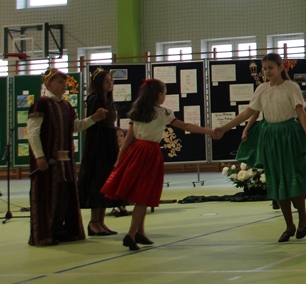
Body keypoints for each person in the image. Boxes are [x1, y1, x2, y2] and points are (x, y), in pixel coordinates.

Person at [103, 79, 217, 251]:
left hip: (135, 151)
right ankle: (131, 234)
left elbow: (128, 139)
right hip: (149, 153)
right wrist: (209, 131)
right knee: (143, 195)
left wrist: (120, 158)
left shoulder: (138, 111)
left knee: (141, 192)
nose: (165, 96)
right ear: (158, 95)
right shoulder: (163, 113)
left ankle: (140, 232)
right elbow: (185, 126)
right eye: (164, 93)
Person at [214, 54, 306, 242]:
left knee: (292, 178)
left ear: (280, 68)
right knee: (277, 181)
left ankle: (303, 217)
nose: (267, 71)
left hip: (289, 135)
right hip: (270, 137)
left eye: (271, 67)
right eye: (264, 68)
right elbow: (248, 113)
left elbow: (301, 113)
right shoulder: (261, 89)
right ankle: (289, 225)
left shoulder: (291, 87)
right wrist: (224, 128)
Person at [26, 68, 107, 247]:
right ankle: (46, 233)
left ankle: (60, 230)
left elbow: (76, 127)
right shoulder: (41, 104)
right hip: (48, 161)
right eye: (60, 82)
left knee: (64, 196)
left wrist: (93, 118)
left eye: (65, 82)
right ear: (49, 84)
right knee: (47, 196)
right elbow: (33, 133)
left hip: (65, 161)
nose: (64, 85)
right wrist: (40, 156)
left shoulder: (66, 105)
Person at [78, 68, 121, 236]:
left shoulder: (108, 100)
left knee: (105, 182)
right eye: (106, 81)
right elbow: (92, 124)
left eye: (111, 81)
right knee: (97, 182)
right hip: (98, 145)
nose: (110, 84)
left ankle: (101, 221)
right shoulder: (95, 99)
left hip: (108, 143)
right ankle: (94, 222)